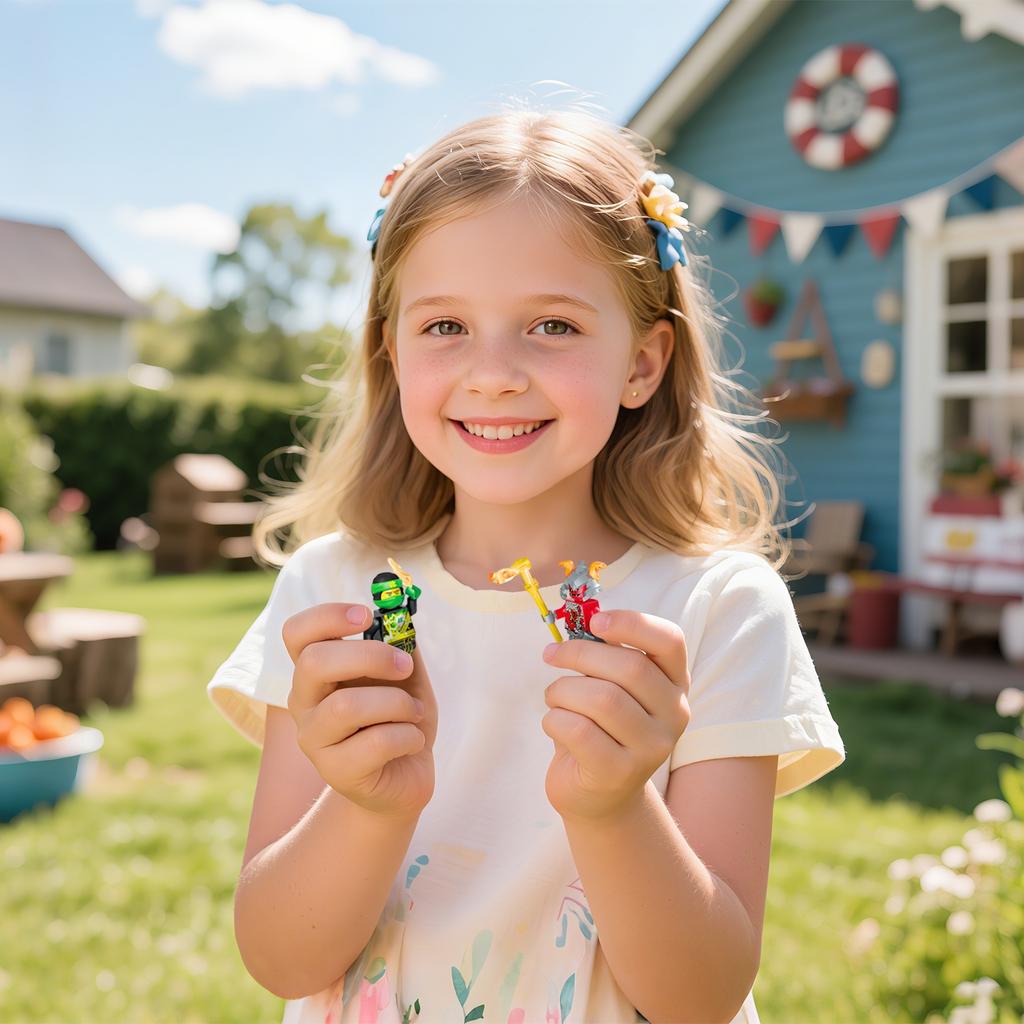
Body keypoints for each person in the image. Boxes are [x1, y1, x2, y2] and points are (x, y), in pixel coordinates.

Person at [207, 106, 846, 1024]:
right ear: (391, 352)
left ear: (644, 361)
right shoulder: (333, 594)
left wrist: (613, 807)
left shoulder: (713, 609)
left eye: (551, 325)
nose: (494, 372)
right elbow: (277, 958)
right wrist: (370, 808)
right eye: (444, 327)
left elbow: (701, 996)